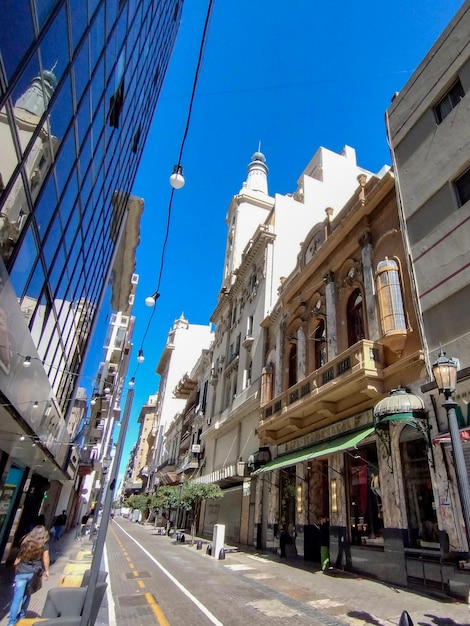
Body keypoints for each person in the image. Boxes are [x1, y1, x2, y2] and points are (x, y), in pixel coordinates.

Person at [8, 525, 50, 626]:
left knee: (16, 599)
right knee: (27, 595)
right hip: (34, 573)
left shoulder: (25, 541)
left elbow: (18, 559)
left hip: (21, 572)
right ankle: (22, 616)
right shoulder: (44, 544)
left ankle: (11, 623)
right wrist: (47, 571)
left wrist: (16, 568)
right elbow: (46, 558)